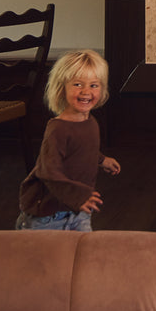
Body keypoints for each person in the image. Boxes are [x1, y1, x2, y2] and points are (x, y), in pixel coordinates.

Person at [15, 49, 121, 231]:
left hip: (78, 211)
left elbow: (81, 150)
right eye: (78, 84)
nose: (86, 91)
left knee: (79, 255)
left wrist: (102, 160)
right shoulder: (57, 129)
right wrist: (79, 196)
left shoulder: (91, 122)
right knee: (40, 258)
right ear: (61, 88)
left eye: (94, 85)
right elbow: (48, 171)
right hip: (47, 216)